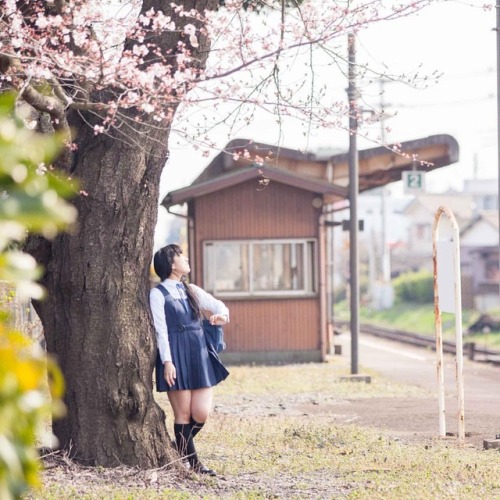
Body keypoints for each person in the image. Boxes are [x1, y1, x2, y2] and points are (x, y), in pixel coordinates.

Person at [149, 244, 229, 476]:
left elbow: (219, 306)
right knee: (183, 415)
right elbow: (160, 331)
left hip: (199, 352)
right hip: (174, 353)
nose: (186, 259)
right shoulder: (157, 293)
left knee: (201, 412)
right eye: (181, 256)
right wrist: (167, 361)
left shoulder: (191, 289)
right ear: (172, 264)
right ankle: (195, 465)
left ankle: (178, 446)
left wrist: (220, 316)